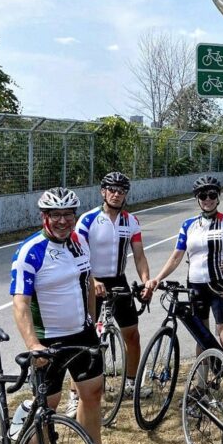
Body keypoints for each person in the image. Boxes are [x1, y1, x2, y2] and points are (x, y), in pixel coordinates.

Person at [9, 187, 131, 444]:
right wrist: (33, 345)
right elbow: (20, 305)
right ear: (44, 217)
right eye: (56, 215)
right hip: (49, 342)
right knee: (45, 410)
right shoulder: (30, 251)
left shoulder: (78, 242)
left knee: (93, 393)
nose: (63, 221)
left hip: (82, 335)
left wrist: (93, 321)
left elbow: (87, 280)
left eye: (68, 215)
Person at [64, 172, 151, 416]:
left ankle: (132, 383)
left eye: (121, 191)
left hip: (118, 280)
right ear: (103, 192)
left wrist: (146, 281)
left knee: (132, 335)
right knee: (85, 340)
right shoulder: (88, 219)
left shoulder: (131, 221)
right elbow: (77, 255)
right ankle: (74, 396)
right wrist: (92, 280)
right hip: (91, 281)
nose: (116, 194)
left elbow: (140, 256)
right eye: (111, 189)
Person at [145, 175, 223, 356]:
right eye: (202, 195)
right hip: (196, 287)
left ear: (218, 197)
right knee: (202, 338)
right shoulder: (188, 225)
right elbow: (176, 257)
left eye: (212, 195)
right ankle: (202, 383)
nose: (207, 199)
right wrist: (158, 278)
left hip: (222, 286)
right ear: (197, 198)